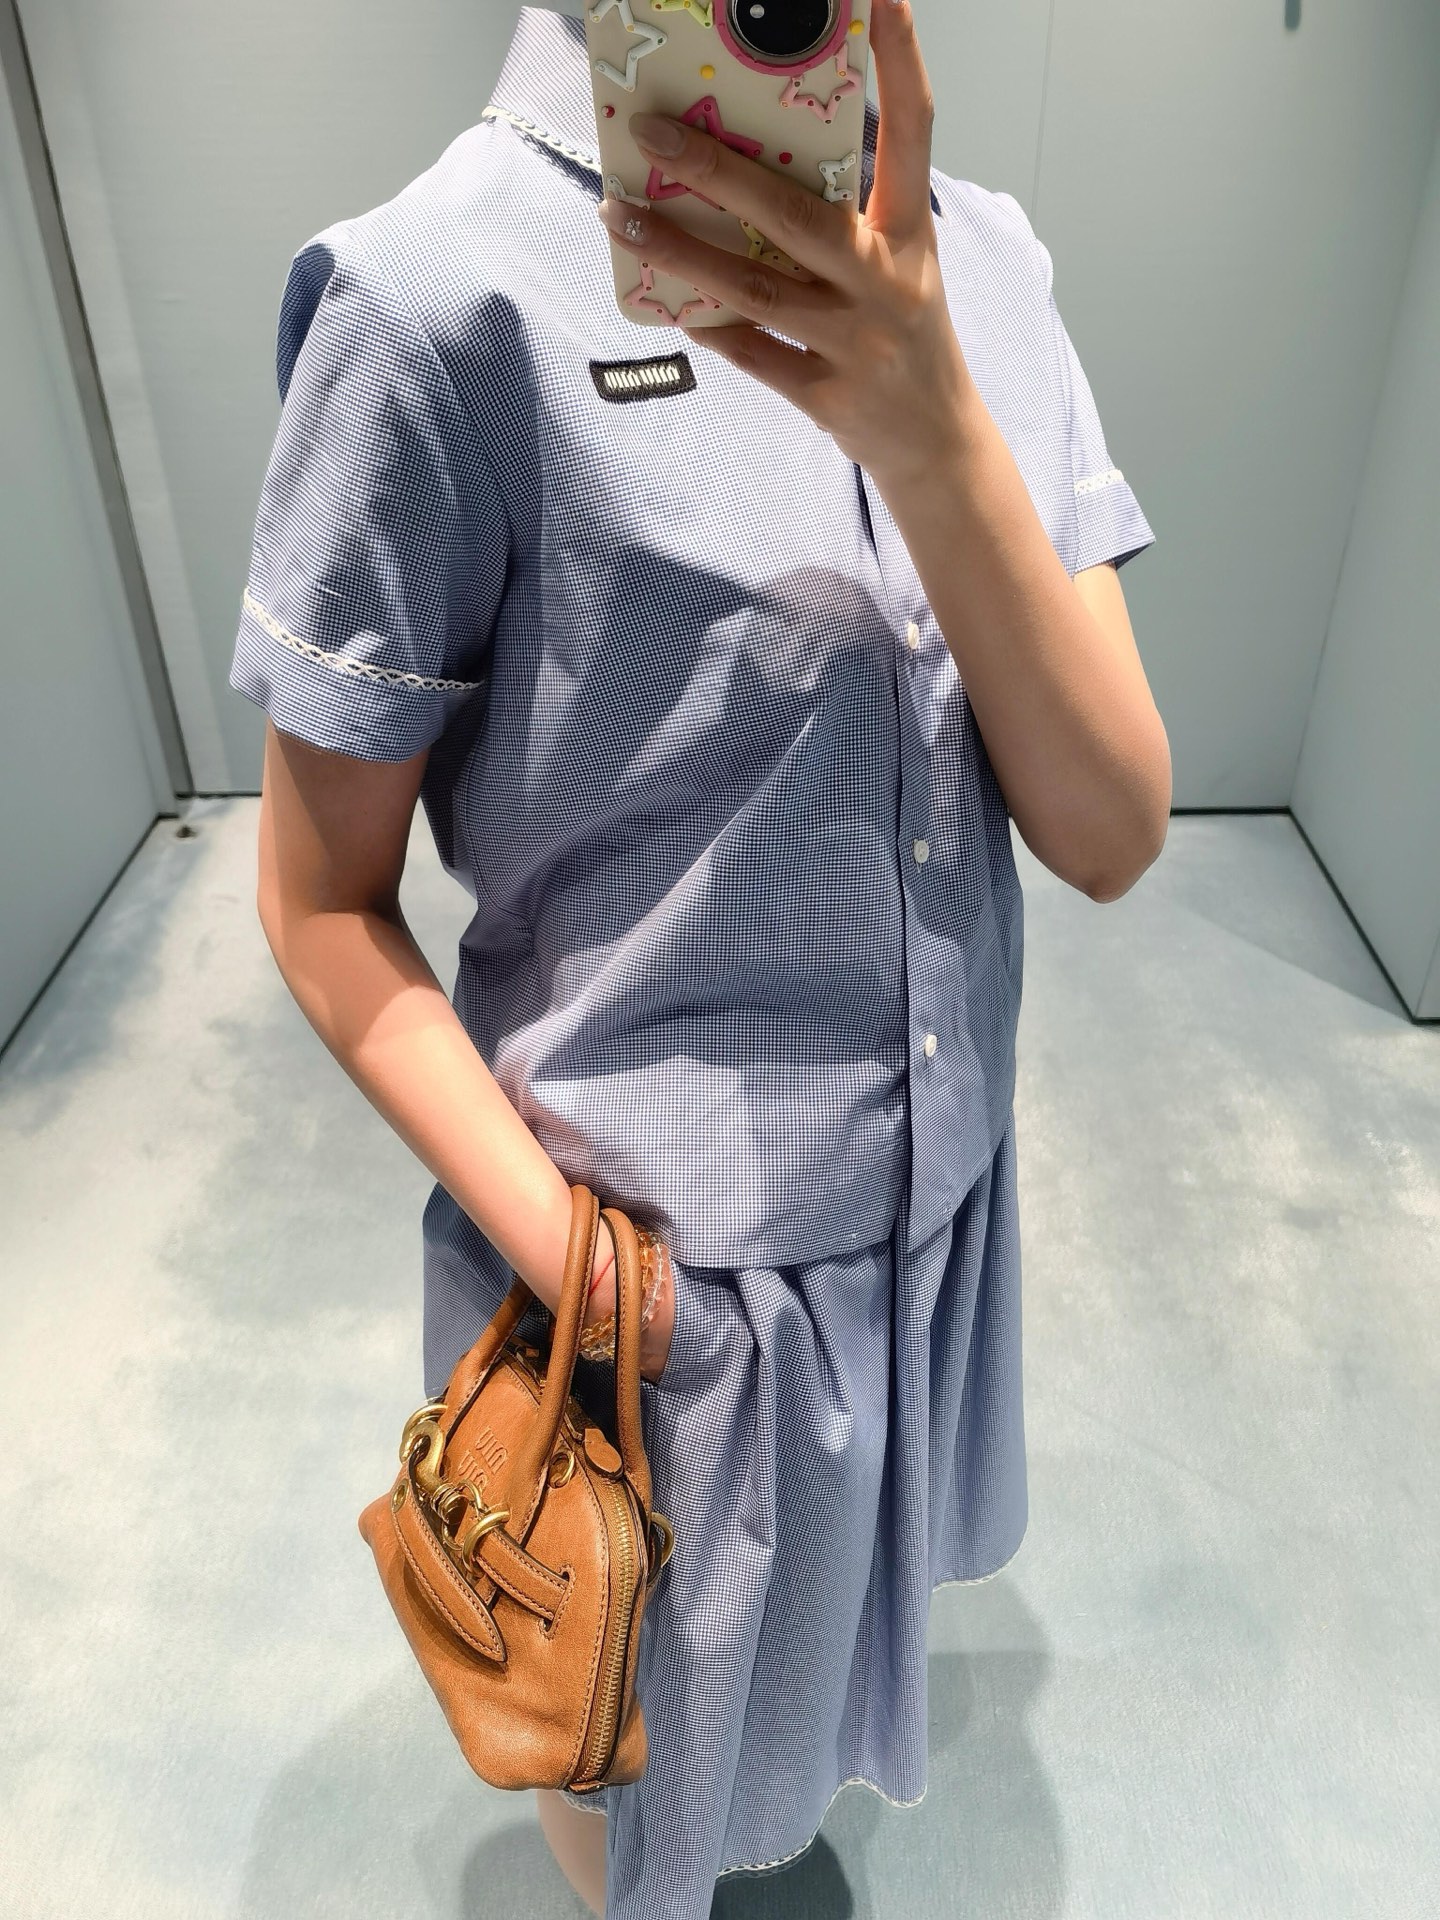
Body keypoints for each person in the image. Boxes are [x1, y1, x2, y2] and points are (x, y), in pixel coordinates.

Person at [229, 2, 1169, 1913]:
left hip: (931, 1212)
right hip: (653, 1304)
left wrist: (932, 425)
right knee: (639, 1783)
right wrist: (595, 1275)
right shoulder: (435, 302)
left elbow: (1108, 829)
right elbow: (319, 900)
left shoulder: (986, 267)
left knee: (795, 1728)